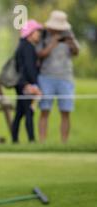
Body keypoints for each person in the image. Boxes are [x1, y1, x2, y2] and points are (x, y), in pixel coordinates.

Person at [37, 10, 80, 143]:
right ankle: (42, 142)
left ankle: (64, 142)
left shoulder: (69, 35)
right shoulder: (44, 35)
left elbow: (76, 52)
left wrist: (70, 42)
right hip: (46, 77)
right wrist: (53, 43)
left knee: (65, 111)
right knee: (44, 110)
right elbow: (39, 54)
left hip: (65, 78)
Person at [11, 20, 43, 143]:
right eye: (37, 31)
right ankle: (31, 140)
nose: (39, 34)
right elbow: (29, 68)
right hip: (26, 84)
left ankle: (14, 140)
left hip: (20, 84)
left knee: (20, 113)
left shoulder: (21, 46)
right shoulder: (28, 47)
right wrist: (34, 85)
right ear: (30, 33)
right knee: (29, 111)